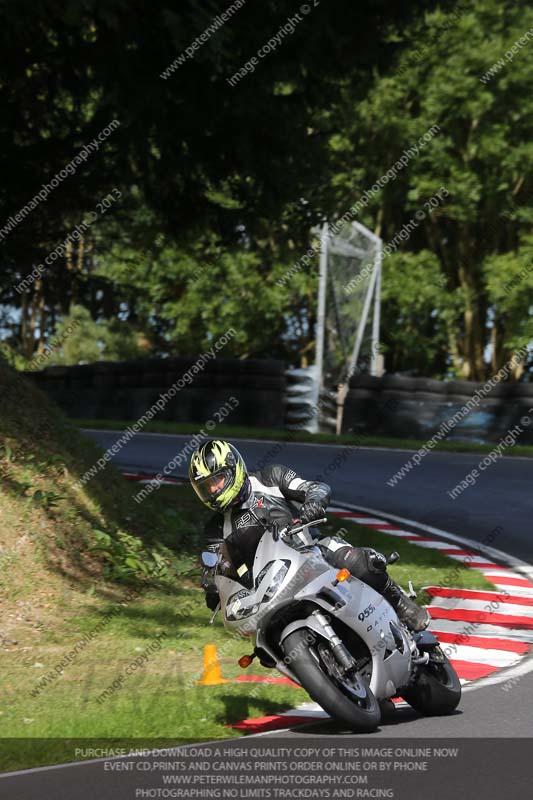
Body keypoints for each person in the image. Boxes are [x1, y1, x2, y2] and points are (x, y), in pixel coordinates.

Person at [188, 439, 429, 632]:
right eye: (206, 487)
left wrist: (313, 502)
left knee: (357, 562)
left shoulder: (269, 478)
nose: (213, 490)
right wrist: (211, 585)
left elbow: (315, 487)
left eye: (217, 480)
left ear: (233, 468)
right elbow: (215, 567)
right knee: (260, 646)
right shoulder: (216, 529)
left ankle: (401, 605)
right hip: (270, 590)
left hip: (313, 553)